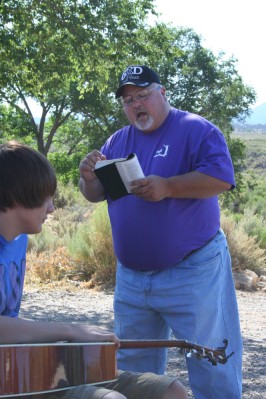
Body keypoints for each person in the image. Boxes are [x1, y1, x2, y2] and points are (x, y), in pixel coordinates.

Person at [78, 65, 243, 399]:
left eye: (143, 95)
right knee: (135, 374)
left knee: (212, 363)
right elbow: (96, 194)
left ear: (162, 93)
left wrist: (168, 187)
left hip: (192, 272)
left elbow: (221, 178)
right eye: (128, 100)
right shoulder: (117, 141)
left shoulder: (196, 129)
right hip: (132, 280)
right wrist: (88, 179)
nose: (136, 104)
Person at [0, 141, 187, 399]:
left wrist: (74, 339)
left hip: (23, 363)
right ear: (17, 195)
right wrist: (70, 330)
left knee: (170, 392)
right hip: (10, 376)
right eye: (46, 198)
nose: (52, 208)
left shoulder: (19, 239)